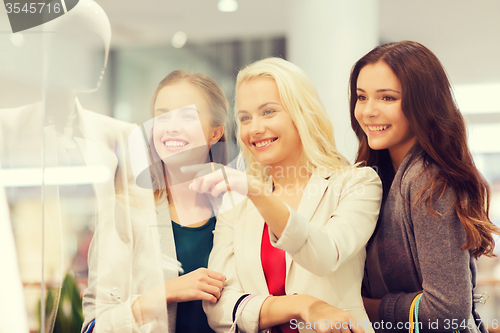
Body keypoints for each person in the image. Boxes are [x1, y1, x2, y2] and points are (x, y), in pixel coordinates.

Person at [187, 57, 382, 333]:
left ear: (301, 113)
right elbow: (220, 308)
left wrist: (257, 191)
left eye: (268, 112)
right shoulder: (237, 203)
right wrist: (303, 306)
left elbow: (326, 255)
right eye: (245, 118)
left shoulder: (357, 183)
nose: (254, 128)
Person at [350, 40, 500, 333]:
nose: (368, 111)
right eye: (361, 97)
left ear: (423, 103)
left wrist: (361, 305)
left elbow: (447, 310)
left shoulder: (429, 180)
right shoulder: (375, 175)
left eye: (387, 98)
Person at [82, 70, 230, 333]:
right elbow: (93, 327)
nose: (172, 126)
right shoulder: (123, 212)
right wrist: (163, 293)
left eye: (187, 115)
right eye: (163, 116)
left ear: (215, 132)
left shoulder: (240, 210)